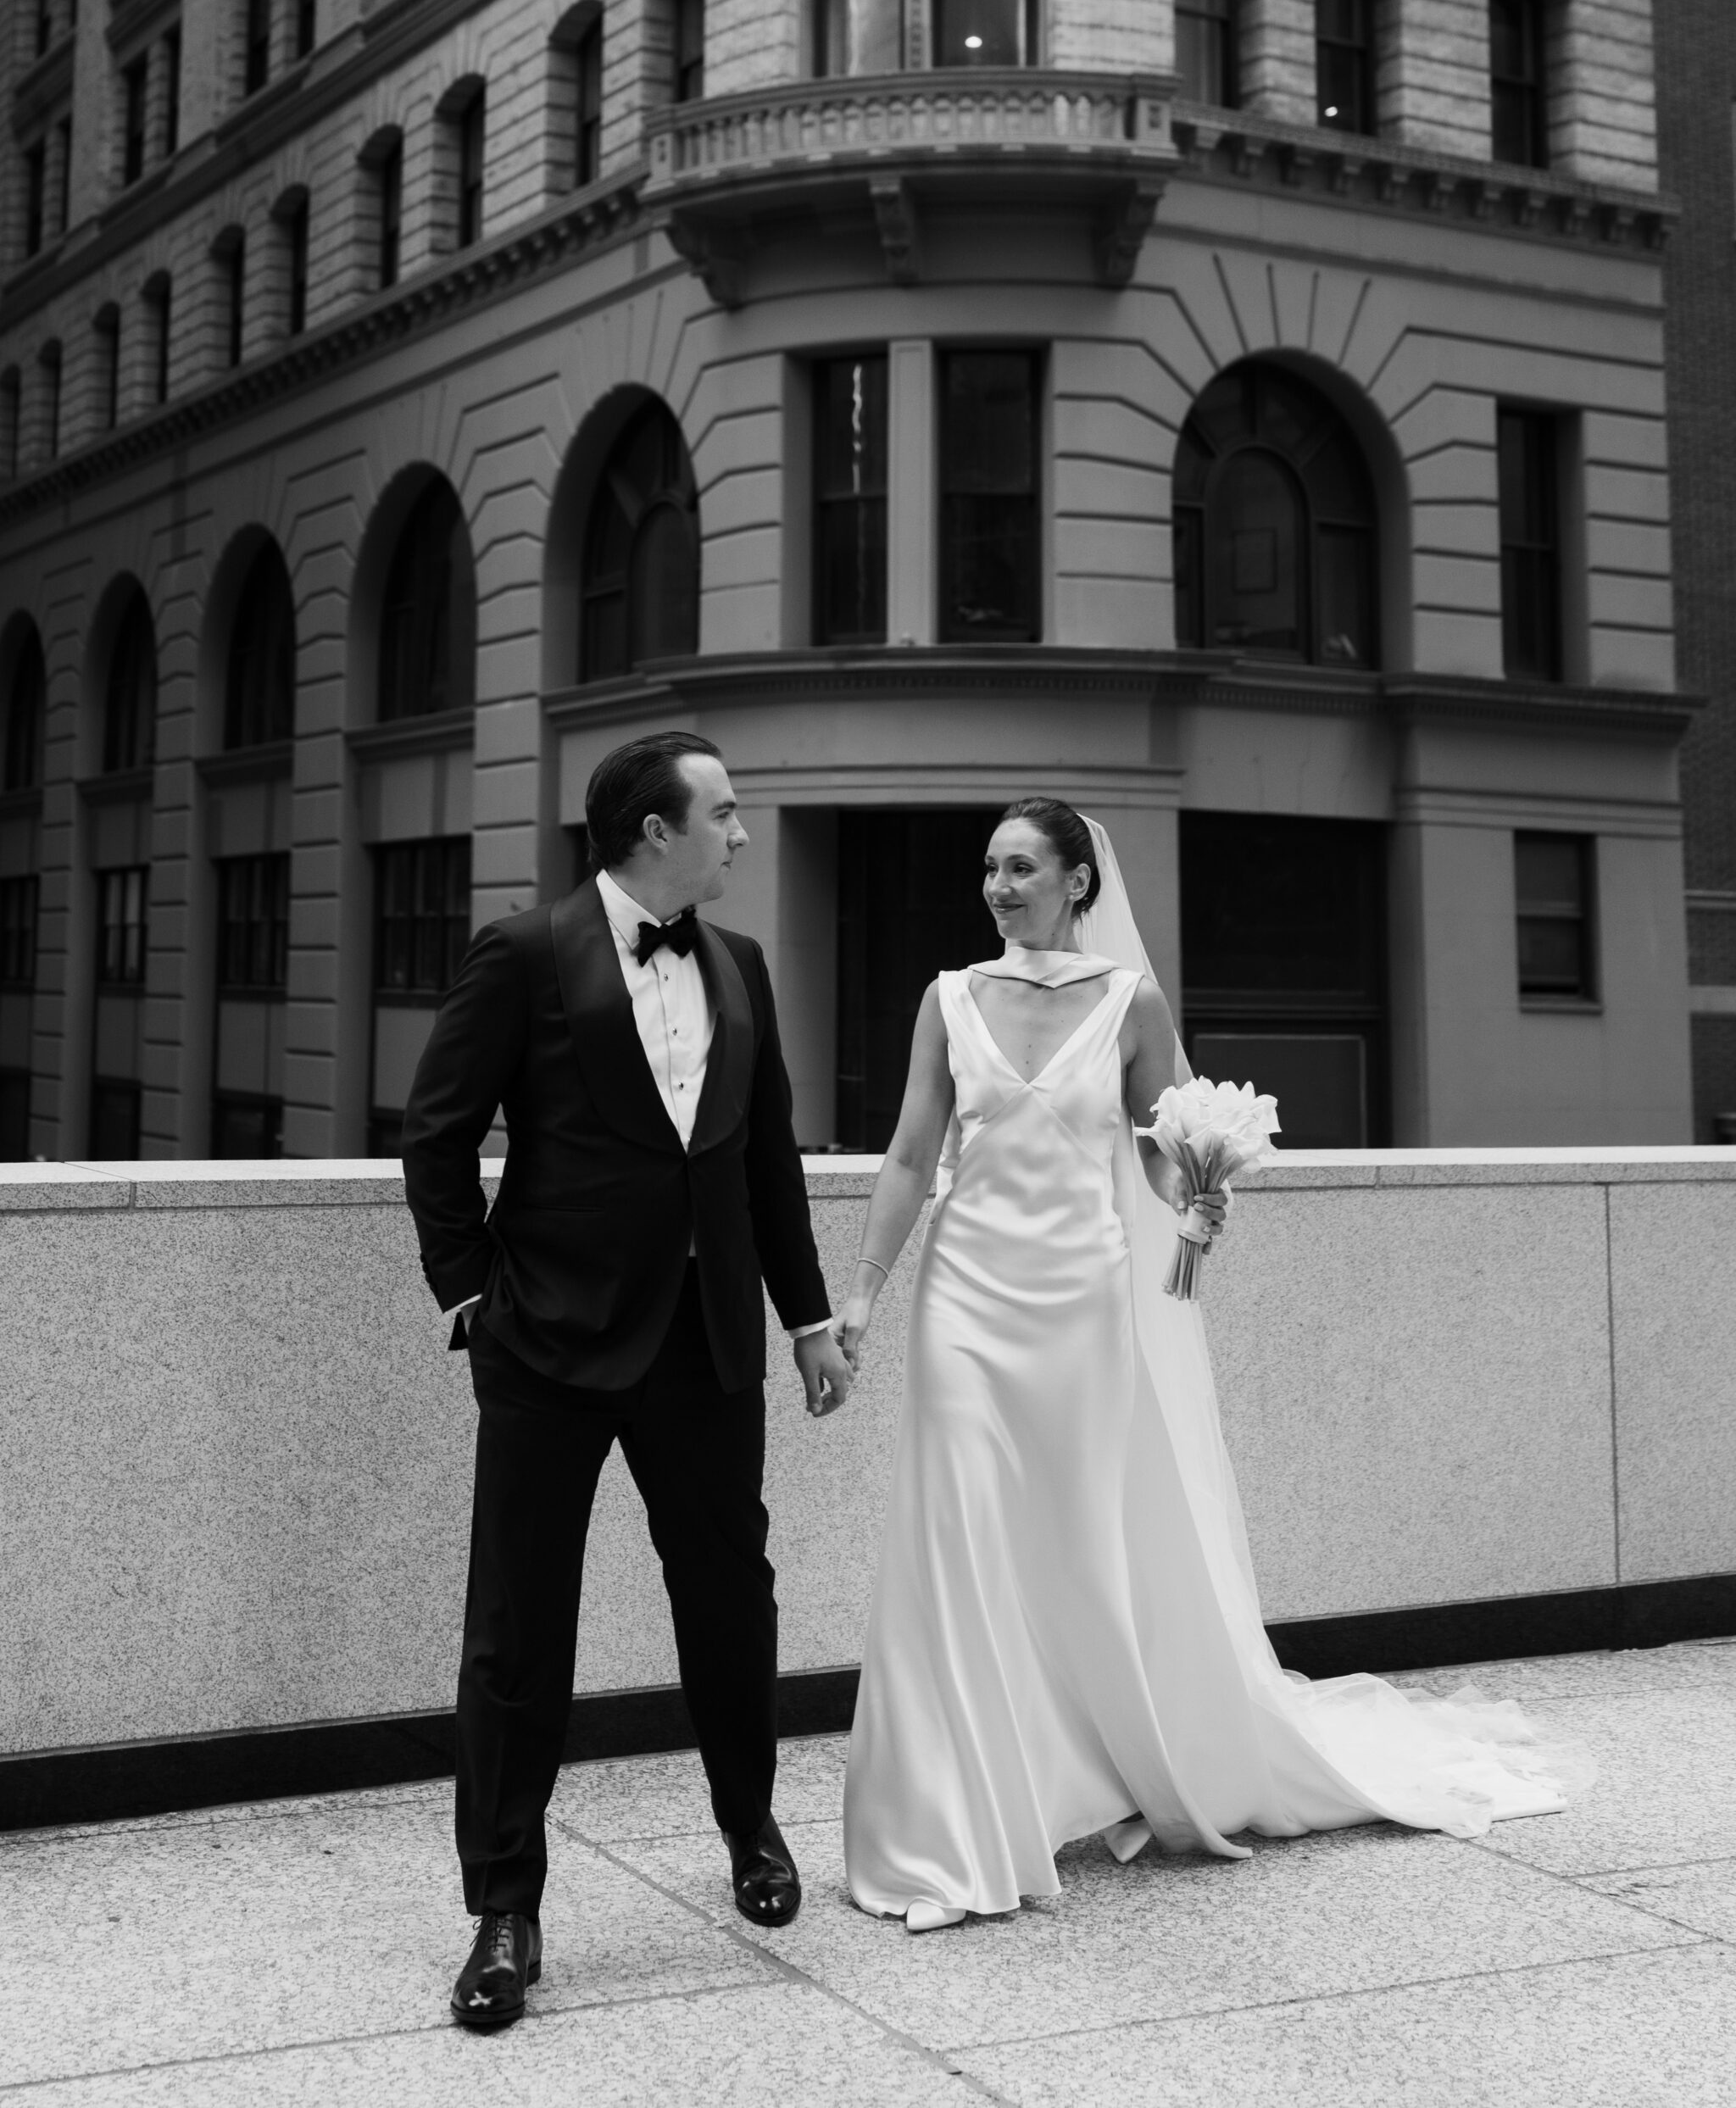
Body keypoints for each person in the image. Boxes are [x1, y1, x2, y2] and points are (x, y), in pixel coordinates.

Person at [837, 798, 1584, 1932]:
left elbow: (1157, 1149)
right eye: (989, 868)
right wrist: (860, 1297)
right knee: (956, 1540)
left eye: (1023, 866)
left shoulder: (1127, 1003)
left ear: (1080, 882)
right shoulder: (949, 1000)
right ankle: (956, 1828)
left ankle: (1102, 1763)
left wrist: (1198, 1198)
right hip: (965, 1307)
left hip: (1082, 1307)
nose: (999, 886)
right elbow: (906, 1156)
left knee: (1078, 1548)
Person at [402, 731, 854, 2025]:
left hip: (706, 1346)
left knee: (730, 1602)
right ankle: (504, 1911)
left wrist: (808, 1319)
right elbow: (435, 1136)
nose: (743, 832)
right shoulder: (528, 953)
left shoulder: (745, 968)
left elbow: (766, 1170)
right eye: (725, 811)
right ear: (656, 831)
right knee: (517, 1628)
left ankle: (751, 1830)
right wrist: (475, 1295)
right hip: (547, 1348)